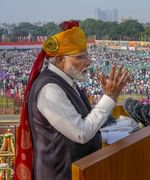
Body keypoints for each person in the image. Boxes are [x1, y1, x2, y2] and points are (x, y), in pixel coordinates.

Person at [14, 20, 129, 180]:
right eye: (81, 57)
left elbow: (83, 121)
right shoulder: (50, 89)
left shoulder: (68, 81)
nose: (88, 61)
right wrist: (109, 98)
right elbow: (81, 132)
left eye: (87, 55)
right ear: (61, 61)